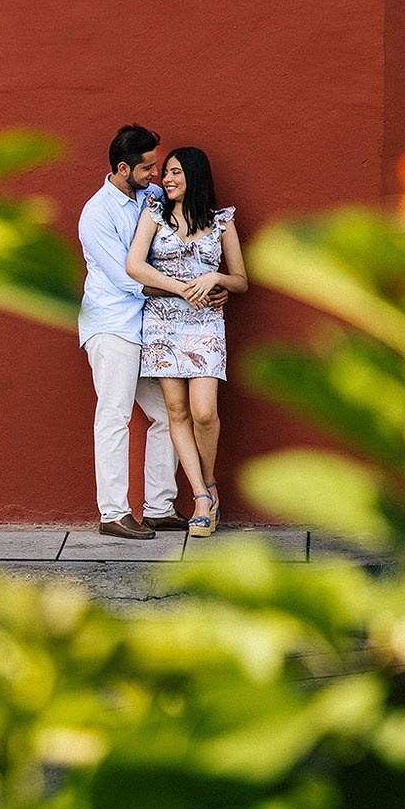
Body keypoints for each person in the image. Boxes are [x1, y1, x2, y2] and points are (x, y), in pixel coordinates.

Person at [124, 146, 247, 537]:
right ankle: (200, 497)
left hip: (206, 325)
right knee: (176, 412)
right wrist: (181, 289)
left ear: (195, 175)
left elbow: (242, 281)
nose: (168, 179)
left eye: (176, 172)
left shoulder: (222, 223)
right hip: (162, 325)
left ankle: (207, 484)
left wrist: (216, 279)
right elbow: (135, 266)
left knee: (204, 412)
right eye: (166, 173)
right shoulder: (154, 216)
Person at [76, 124, 181, 539]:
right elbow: (127, 277)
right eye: (148, 167)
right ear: (122, 168)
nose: (156, 174)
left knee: (167, 414)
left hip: (147, 327)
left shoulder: (150, 197)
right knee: (115, 416)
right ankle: (114, 514)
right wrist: (183, 292)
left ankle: (158, 506)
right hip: (112, 325)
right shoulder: (96, 214)